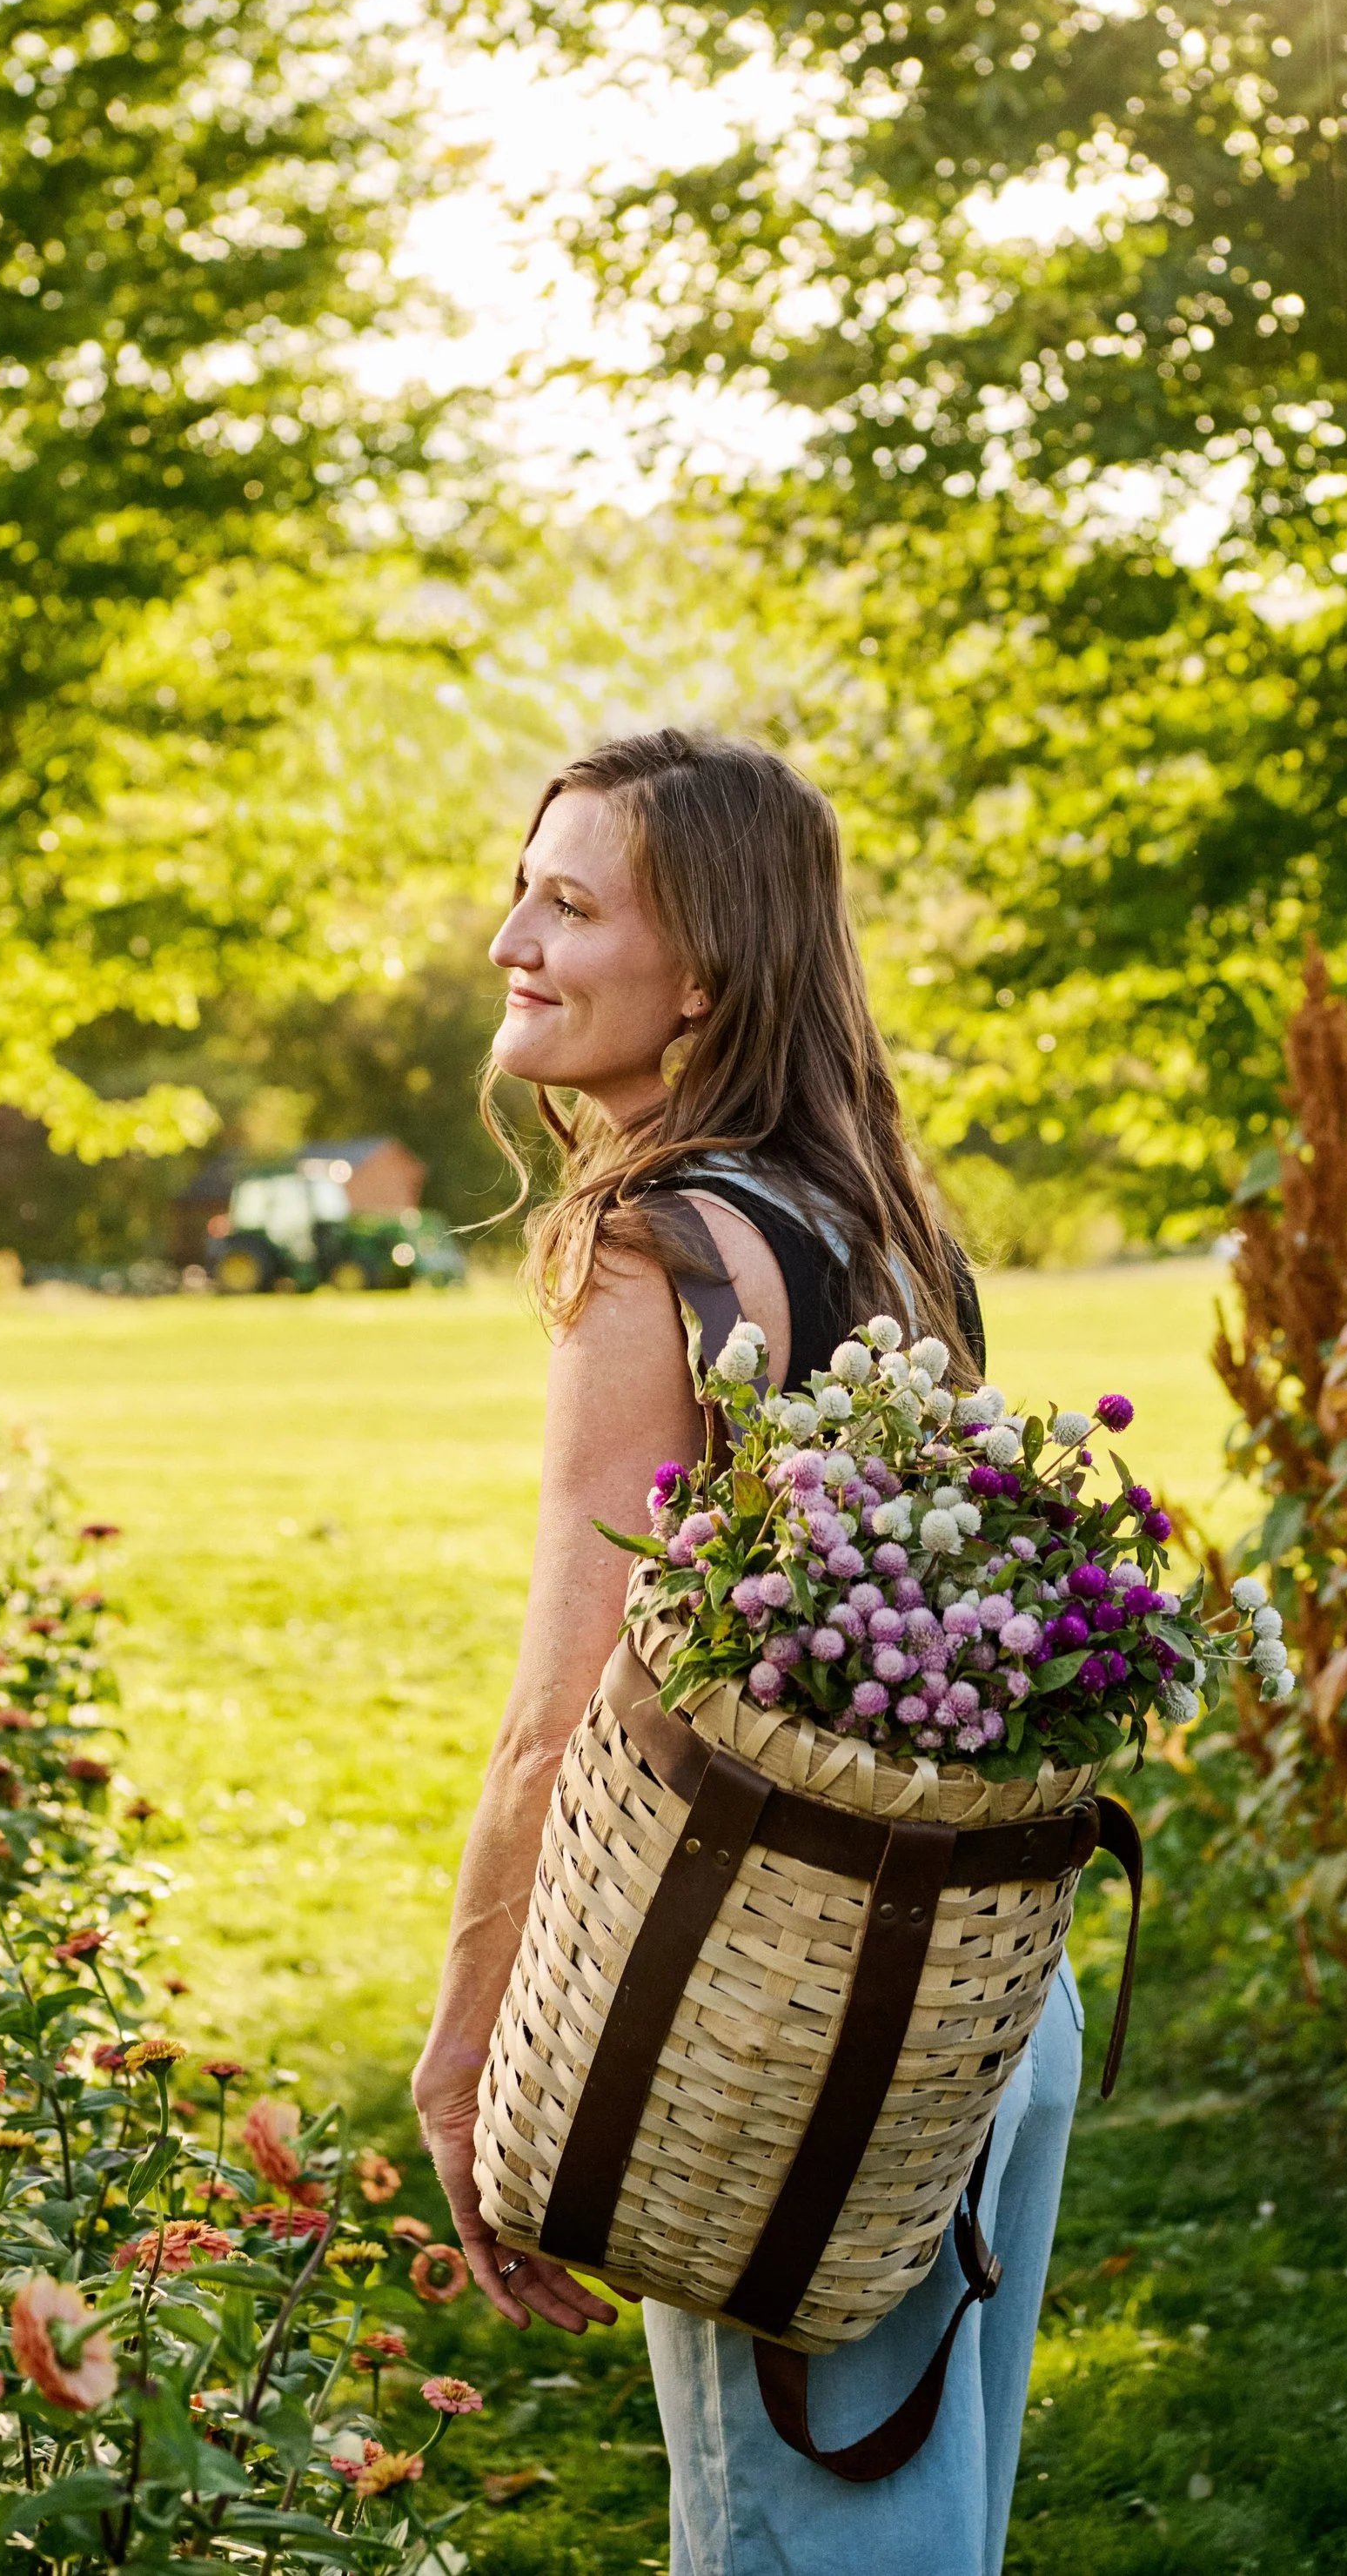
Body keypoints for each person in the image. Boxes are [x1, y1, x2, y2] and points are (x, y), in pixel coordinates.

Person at [412, 728, 1084, 2576]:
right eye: (519, 889)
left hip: (765, 2020)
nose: (508, 943)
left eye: (568, 903)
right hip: (985, 2001)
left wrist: (471, 2045)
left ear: (700, 974)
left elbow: (560, 1715)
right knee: (921, 2539)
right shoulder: (878, 1224)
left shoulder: (656, 1247)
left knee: (802, 2550)